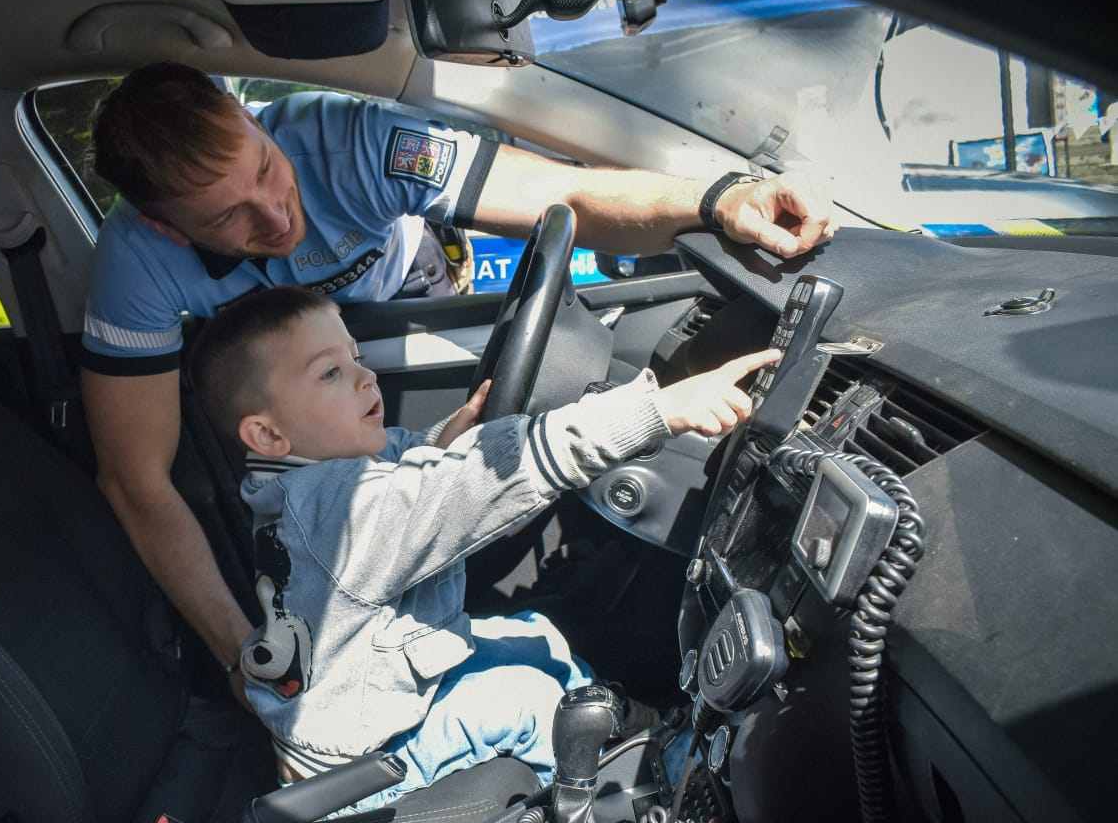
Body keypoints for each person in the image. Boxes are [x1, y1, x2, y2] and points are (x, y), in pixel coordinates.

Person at [78, 62, 833, 698]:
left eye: (268, 170)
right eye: (231, 219)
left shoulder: (351, 139)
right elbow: (137, 480)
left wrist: (717, 200)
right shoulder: (135, 267)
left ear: (253, 120)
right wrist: (248, 662)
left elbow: (562, 195)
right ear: (167, 229)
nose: (278, 217)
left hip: (406, 288)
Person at [187, 285, 780, 809]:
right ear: (267, 433)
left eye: (357, 359)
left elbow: (401, 462)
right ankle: (607, 806)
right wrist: (653, 411)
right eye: (330, 374)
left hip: (364, 697)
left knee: (535, 631)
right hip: (362, 765)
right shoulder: (339, 514)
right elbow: (468, 487)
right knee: (523, 700)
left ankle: (616, 723)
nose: (365, 378)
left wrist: (446, 438)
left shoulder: (302, 482)